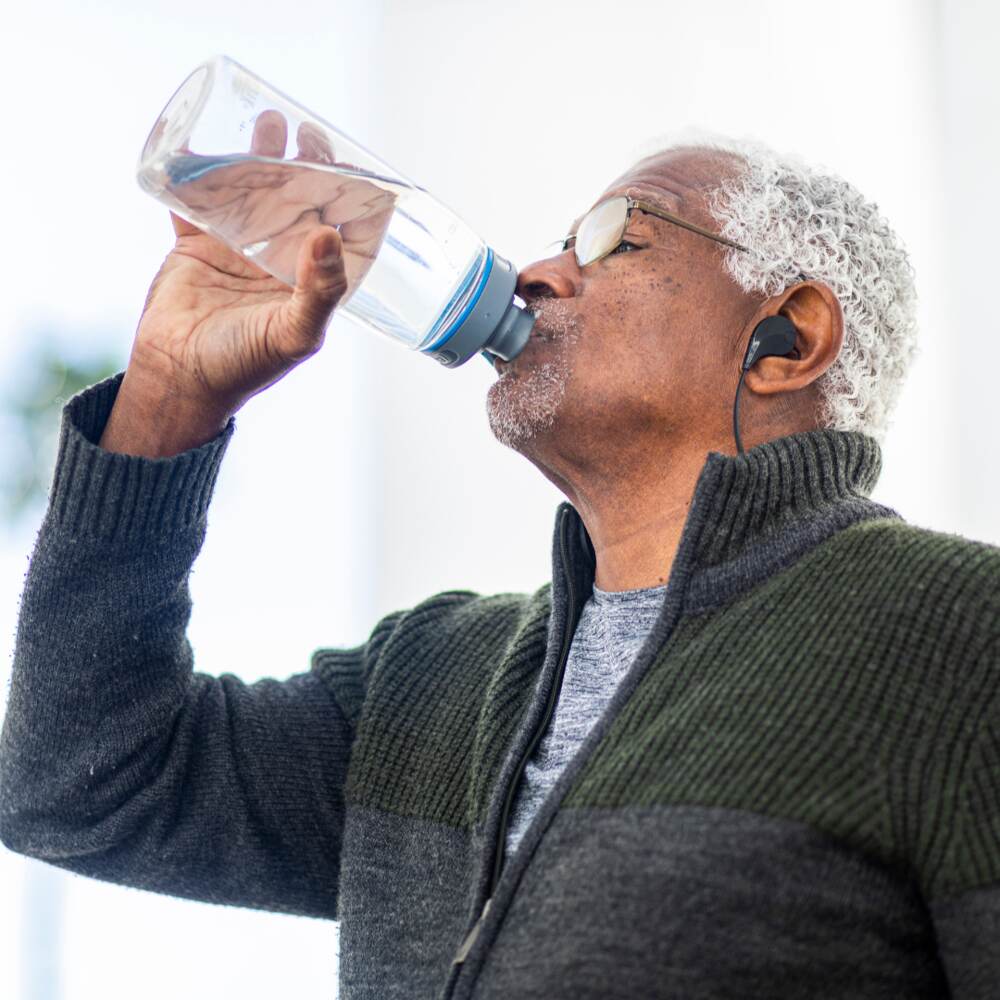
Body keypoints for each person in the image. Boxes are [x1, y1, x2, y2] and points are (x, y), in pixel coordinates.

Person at [1, 120, 997, 1000]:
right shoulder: (428, 677)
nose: (536, 272)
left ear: (787, 337)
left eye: (615, 239)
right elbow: (79, 786)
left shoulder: (960, 638)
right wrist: (169, 400)